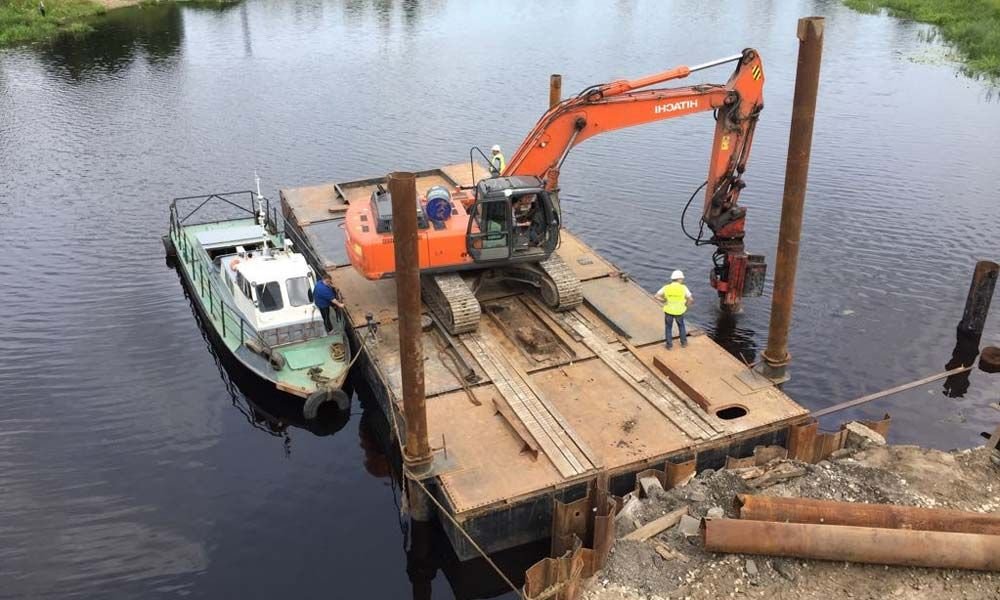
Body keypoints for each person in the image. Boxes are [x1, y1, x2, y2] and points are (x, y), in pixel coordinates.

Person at [654, 270, 693, 350]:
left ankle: (669, 345)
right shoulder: (683, 288)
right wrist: (686, 306)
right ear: (679, 279)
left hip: (669, 311)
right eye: (682, 279)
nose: (682, 280)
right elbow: (691, 299)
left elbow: (656, 296)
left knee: (668, 327)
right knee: (681, 326)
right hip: (679, 311)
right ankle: (684, 343)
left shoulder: (666, 287)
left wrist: (663, 300)